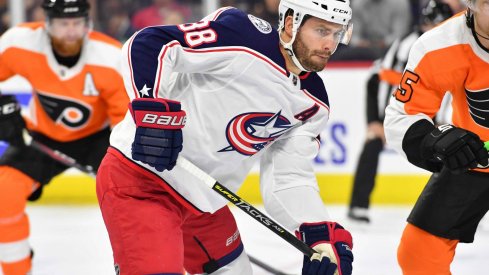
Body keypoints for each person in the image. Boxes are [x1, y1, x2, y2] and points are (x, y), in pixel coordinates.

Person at [96, 0, 355, 274]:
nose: (330, 45)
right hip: (142, 182)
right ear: (292, 24)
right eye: (322, 31)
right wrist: (152, 112)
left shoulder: (313, 103)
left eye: (337, 34)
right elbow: (150, 45)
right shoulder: (242, 36)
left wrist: (316, 231)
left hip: (203, 205)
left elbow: (289, 177)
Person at [0, 0, 128, 274]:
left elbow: (125, 123)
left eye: (76, 23)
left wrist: (125, 163)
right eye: (62, 24)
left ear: (87, 24)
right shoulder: (20, 42)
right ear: (47, 25)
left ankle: (147, 265)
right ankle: (16, 270)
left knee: (134, 202)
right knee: (4, 193)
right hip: (41, 138)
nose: (70, 31)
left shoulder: (110, 57)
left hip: (101, 140)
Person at [384, 0, 489, 273]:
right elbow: (400, 117)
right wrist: (435, 140)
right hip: (475, 159)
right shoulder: (438, 45)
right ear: (473, 4)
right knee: (417, 253)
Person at [347, 0, 455, 223]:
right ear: (426, 24)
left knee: (451, 151)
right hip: (396, 111)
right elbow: (385, 80)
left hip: (423, 113)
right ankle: (358, 204)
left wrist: (440, 120)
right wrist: (378, 120)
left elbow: (447, 89)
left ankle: (451, 209)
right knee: (373, 142)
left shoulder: (450, 47)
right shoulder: (410, 45)